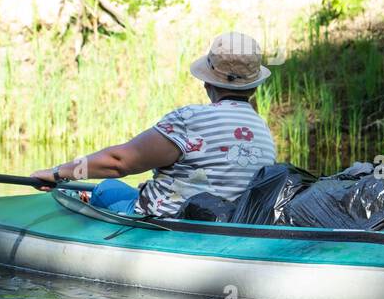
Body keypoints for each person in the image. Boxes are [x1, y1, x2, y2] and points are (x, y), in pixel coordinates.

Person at [31, 32, 277, 217]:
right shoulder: (263, 131)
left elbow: (119, 163)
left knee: (107, 187)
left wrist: (57, 172)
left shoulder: (189, 119)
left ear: (206, 83)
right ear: (253, 87)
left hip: (167, 221)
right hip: (220, 225)